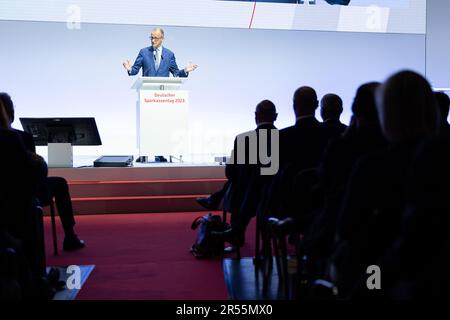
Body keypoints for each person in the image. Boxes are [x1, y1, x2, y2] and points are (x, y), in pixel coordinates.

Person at [0, 93, 85, 251]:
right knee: (60, 183)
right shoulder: (20, 137)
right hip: (25, 195)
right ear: (10, 113)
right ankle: (70, 236)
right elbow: (35, 174)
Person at [123, 27, 198, 77]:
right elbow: (135, 70)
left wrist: (185, 71)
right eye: (151, 38)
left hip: (163, 95)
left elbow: (176, 73)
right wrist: (130, 69)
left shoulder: (169, 55)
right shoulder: (143, 52)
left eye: (155, 38)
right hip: (146, 93)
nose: (153, 40)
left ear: (162, 38)